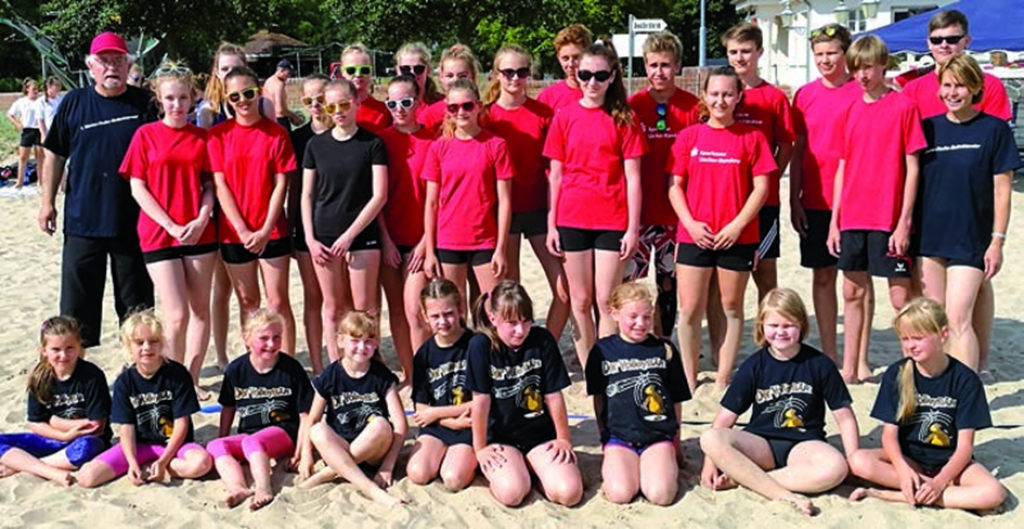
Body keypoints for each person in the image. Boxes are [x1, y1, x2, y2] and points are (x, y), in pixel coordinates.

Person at [902, 10, 1016, 377]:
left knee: (959, 313)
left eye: (961, 86)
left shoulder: (994, 125)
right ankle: (940, 383)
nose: (952, 93)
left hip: (972, 232)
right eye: (937, 40)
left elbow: (1002, 186)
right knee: (936, 316)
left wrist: (997, 239)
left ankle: (969, 383)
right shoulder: (927, 123)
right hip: (931, 232)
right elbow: (906, 166)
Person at [40, 31, 155, 348]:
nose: (111, 67)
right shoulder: (74, 103)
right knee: (77, 307)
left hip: (133, 221)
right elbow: (55, 154)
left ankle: (138, 374)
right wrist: (47, 202)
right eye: (104, 61)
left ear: (128, 63)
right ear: (91, 66)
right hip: (83, 220)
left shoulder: (144, 103)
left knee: (137, 306)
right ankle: (78, 378)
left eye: (118, 60)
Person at [700, 289, 860, 517]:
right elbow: (725, 417)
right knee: (710, 438)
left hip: (803, 444)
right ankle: (781, 492)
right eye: (774, 326)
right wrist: (710, 462)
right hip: (761, 442)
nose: (781, 332)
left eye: (788, 325)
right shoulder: (754, 365)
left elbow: (844, 417)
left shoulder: (819, 364)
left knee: (835, 468)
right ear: (762, 327)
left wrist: (852, 456)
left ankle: (749, 479)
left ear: (801, 325)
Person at [668, 66, 774, 392]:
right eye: (714, 93)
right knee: (689, 309)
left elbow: (762, 188)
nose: (720, 100)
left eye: (728, 94)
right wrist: (690, 223)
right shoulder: (689, 136)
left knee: (731, 306)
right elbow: (674, 186)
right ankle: (687, 376)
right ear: (704, 96)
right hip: (694, 234)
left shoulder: (752, 137)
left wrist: (738, 225)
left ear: (739, 96)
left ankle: (724, 375)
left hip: (737, 236)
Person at [827, 36, 926, 384]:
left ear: (883, 64)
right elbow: (842, 166)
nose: (862, 75)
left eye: (868, 66)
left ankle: (912, 368)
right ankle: (853, 366)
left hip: (888, 216)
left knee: (901, 297)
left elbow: (912, 167)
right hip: (853, 215)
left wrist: (904, 221)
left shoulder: (903, 106)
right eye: (856, 68)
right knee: (852, 292)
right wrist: (834, 221)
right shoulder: (850, 109)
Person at [848, 298, 1006, 512]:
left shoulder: (965, 379)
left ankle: (895, 495)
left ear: (943, 335)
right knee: (858, 460)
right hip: (909, 458)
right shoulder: (897, 373)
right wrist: (903, 470)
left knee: (994, 493)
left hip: (950, 462)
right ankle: (935, 492)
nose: (910, 345)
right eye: (905, 339)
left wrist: (940, 482)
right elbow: (889, 436)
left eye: (918, 338)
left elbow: (965, 448)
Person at [544, 42, 647, 368]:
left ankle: (607, 365)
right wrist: (551, 224)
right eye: (585, 74)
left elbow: (633, 177)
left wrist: (633, 228)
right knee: (580, 299)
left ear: (612, 75)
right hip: (571, 218)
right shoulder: (565, 117)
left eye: (600, 75)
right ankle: (590, 367)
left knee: (606, 300)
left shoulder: (624, 118)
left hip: (612, 220)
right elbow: (555, 176)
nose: (591, 81)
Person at [120, 62, 217, 399]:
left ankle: (190, 379)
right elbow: (138, 187)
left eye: (183, 98)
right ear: (159, 100)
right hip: (159, 233)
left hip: (200, 232)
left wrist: (203, 217)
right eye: (170, 98)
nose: (177, 104)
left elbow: (209, 184)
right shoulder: (145, 135)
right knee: (175, 314)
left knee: (199, 310)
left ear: (193, 99)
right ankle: (174, 379)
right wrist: (171, 224)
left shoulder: (203, 138)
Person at [702, 24, 795, 365]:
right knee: (717, 283)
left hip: (761, 204)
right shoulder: (719, 91)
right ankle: (718, 350)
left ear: (759, 53)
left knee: (765, 276)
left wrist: (770, 177)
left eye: (745, 51)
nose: (739, 58)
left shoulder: (772, 97)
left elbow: (786, 144)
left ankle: (770, 346)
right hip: (719, 204)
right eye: (733, 52)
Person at [790, 24, 871, 366]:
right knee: (822, 276)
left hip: (856, 199)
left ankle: (860, 356)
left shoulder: (861, 91)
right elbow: (798, 149)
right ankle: (831, 351)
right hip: (816, 197)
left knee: (857, 282)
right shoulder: (805, 95)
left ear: (846, 53)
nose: (825, 60)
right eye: (819, 54)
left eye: (832, 53)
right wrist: (794, 197)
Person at [482, 45, 570, 342]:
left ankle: (547, 346)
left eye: (521, 71)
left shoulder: (543, 114)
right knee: (509, 290)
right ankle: (510, 349)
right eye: (508, 72)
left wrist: (555, 215)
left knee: (564, 289)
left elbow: (554, 168)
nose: (515, 78)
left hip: (538, 209)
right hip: (501, 213)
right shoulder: (485, 116)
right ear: (497, 74)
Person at [208, 65, 297, 355]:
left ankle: (287, 363)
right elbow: (220, 186)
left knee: (278, 302)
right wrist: (245, 230)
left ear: (259, 92)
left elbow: (280, 185)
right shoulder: (218, 135)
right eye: (235, 96)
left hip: (273, 230)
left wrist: (265, 229)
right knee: (248, 302)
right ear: (226, 98)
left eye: (248, 93)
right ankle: (256, 362)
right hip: (235, 234)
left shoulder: (276, 134)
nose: (242, 100)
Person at [467, 281, 582, 507]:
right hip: (501, 438)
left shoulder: (542, 340)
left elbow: (553, 395)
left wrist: (563, 438)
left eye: (525, 321)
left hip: (539, 435)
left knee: (569, 494)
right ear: (493, 318)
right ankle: (519, 470)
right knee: (513, 494)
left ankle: (534, 469)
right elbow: (480, 401)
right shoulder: (480, 345)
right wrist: (479, 449)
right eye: (511, 323)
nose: (520, 330)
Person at [197, 42, 274, 370]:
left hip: (257, 209)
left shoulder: (262, 104)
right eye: (224, 69)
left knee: (253, 295)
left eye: (235, 67)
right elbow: (207, 170)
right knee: (223, 289)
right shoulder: (208, 111)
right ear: (217, 73)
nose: (230, 74)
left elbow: (270, 148)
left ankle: (257, 349)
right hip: (220, 209)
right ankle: (225, 354)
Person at [302, 79, 388, 363]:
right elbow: (307, 195)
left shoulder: (372, 143)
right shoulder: (316, 145)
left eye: (344, 104)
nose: (338, 111)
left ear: (356, 103)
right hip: (324, 234)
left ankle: (369, 367)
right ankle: (337, 367)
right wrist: (310, 239)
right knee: (333, 307)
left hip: (361, 235)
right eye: (332, 105)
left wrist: (351, 235)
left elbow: (379, 196)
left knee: (363, 310)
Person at [76, 312, 213, 488]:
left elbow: (182, 424)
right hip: (140, 445)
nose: (147, 347)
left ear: (162, 342)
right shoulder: (124, 382)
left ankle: (155, 467)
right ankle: (143, 467)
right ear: (128, 346)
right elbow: (126, 429)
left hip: (174, 445)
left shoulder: (177, 374)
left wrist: (163, 461)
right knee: (87, 477)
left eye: (153, 341)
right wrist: (132, 462)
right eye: (140, 343)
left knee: (201, 464)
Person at [585, 283, 690, 505]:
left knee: (660, 495)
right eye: (632, 316)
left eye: (646, 317)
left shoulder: (665, 350)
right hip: (619, 437)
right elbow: (599, 398)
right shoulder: (602, 351)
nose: (640, 324)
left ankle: (661, 465)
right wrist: (604, 435)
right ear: (614, 313)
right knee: (621, 494)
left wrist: (676, 442)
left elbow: (676, 400)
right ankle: (622, 466)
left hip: (658, 436)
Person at [626, 31, 700, 339]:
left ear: (678, 65)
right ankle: (635, 337)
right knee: (631, 281)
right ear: (644, 65)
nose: (659, 72)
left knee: (669, 281)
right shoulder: (631, 106)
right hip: (640, 214)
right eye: (653, 64)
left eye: (666, 65)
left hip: (677, 214)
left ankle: (665, 340)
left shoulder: (694, 107)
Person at [298, 312, 407, 507]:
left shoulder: (382, 376)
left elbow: (400, 424)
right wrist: (306, 455)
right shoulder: (330, 375)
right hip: (339, 446)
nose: (361, 347)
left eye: (368, 341)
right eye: (355, 341)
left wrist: (387, 465)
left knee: (381, 424)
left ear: (375, 344)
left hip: (373, 450)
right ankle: (370, 489)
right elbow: (312, 419)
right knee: (317, 430)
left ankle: (329, 473)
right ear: (340, 341)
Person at [423, 79, 513, 311]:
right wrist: (430, 251)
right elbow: (431, 203)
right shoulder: (439, 148)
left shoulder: (496, 145)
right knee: (454, 310)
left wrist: (501, 248)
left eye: (467, 106)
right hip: (448, 238)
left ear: (479, 106)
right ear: (447, 110)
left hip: (485, 239)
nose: (461, 112)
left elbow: (504, 201)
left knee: (491, 308)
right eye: (454, 107)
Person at [210, 309, 313, 510]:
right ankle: (237, 488)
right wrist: (222, 436)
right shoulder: (236, 369)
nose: (271, 344)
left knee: (253, 441)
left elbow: (306, 415)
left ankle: (264, 488)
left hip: (284, 432)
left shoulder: (291, 369)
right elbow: (228, 407)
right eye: (263, 338)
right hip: (249, 435)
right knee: (215, 446)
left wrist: (300, 452)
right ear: (247, 338)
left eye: (277, 337)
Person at [0, 316, 109, 486]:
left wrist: (54, 421)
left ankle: (22, 466)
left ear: (79, 345)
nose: (63, 355)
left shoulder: (92, 376)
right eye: (56, 349)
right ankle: (48, 470)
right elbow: (36, 423)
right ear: (44, 350)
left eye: (70, 348)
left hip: (83, 441)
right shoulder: (40, 377)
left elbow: (96, 425)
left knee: (87, 447)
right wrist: (63, 434)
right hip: (53, 439)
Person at [379, 75, 434, 384]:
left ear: (418, 102)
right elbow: (378, 198)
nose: (399, 109)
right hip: (389, 237)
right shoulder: (381, 141)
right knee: (397, 311)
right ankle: (411, 375)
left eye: (405, 102)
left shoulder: (434, 142)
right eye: (392, 103)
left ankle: (424, 377)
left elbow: (438, 201)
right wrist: (385, 241)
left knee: (415, 311)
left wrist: (426, 243)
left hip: (420, 240)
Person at [405, 279, 478, 490]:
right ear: (425, 317)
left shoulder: (476, 345)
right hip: (439, 426)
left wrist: (439, 414)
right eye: (435, 316)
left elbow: (482, 402)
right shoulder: (423, 354)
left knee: (453, 478)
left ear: (461, 309)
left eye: (448, 314)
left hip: (469, 424)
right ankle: (444, 453)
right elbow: (421, 408)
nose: (443, 321)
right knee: (418, 473)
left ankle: (467, 460)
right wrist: (446, 421)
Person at [289, 74, 332, 374]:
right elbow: (294, 190)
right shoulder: (298, 137)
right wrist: (296, 231)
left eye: (320, 99)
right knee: (313, 298)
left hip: (341, 225)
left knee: (342, 302)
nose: (315, 105)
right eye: (308, 101)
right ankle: (319, 365)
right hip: (308, 227)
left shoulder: (347, 132)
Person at [419, 44, 480, 134]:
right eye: (449, 76)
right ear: (441, 77)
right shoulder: (430, 115)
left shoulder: (482, 112)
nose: (455, 80)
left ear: (473, 76)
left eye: (462, 76)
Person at [538, 24, 593, 111]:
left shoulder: (602, 95)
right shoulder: (548, 97)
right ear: (558, 58)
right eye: (565, 58)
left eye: (576, 57)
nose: (570, 64)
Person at [339, 44, 392, 134]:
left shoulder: (384, 110)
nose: (358, 74)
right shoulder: (334, 109)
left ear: (371, 72)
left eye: (364, 70)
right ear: (342, 72)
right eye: (351, 70)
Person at [7, 78, 44, 190]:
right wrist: (18, 124)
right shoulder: (21, 102)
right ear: (27, 89)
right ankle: (19, 181)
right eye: (34, 89)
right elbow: (10, 114)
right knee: (23, 157)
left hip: (38, 130)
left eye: (37, 89)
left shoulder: (41, 101)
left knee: (40, 157)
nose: (36, 91)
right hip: (27, 130)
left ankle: (40, 180)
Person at [394, 42, 443, 107]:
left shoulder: (441, 104)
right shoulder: (391, 106)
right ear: (397, 70)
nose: (412, 73)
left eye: (418, 69)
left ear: (428, 70)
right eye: (405, 69)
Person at [264, 59, 302, 130]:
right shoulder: (279, 85)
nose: (289, 76)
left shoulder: (268, 81)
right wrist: (294, 116)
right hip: (280, 121)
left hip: (268, 119)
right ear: (282, 70)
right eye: (288, 73)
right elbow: (280, 110)